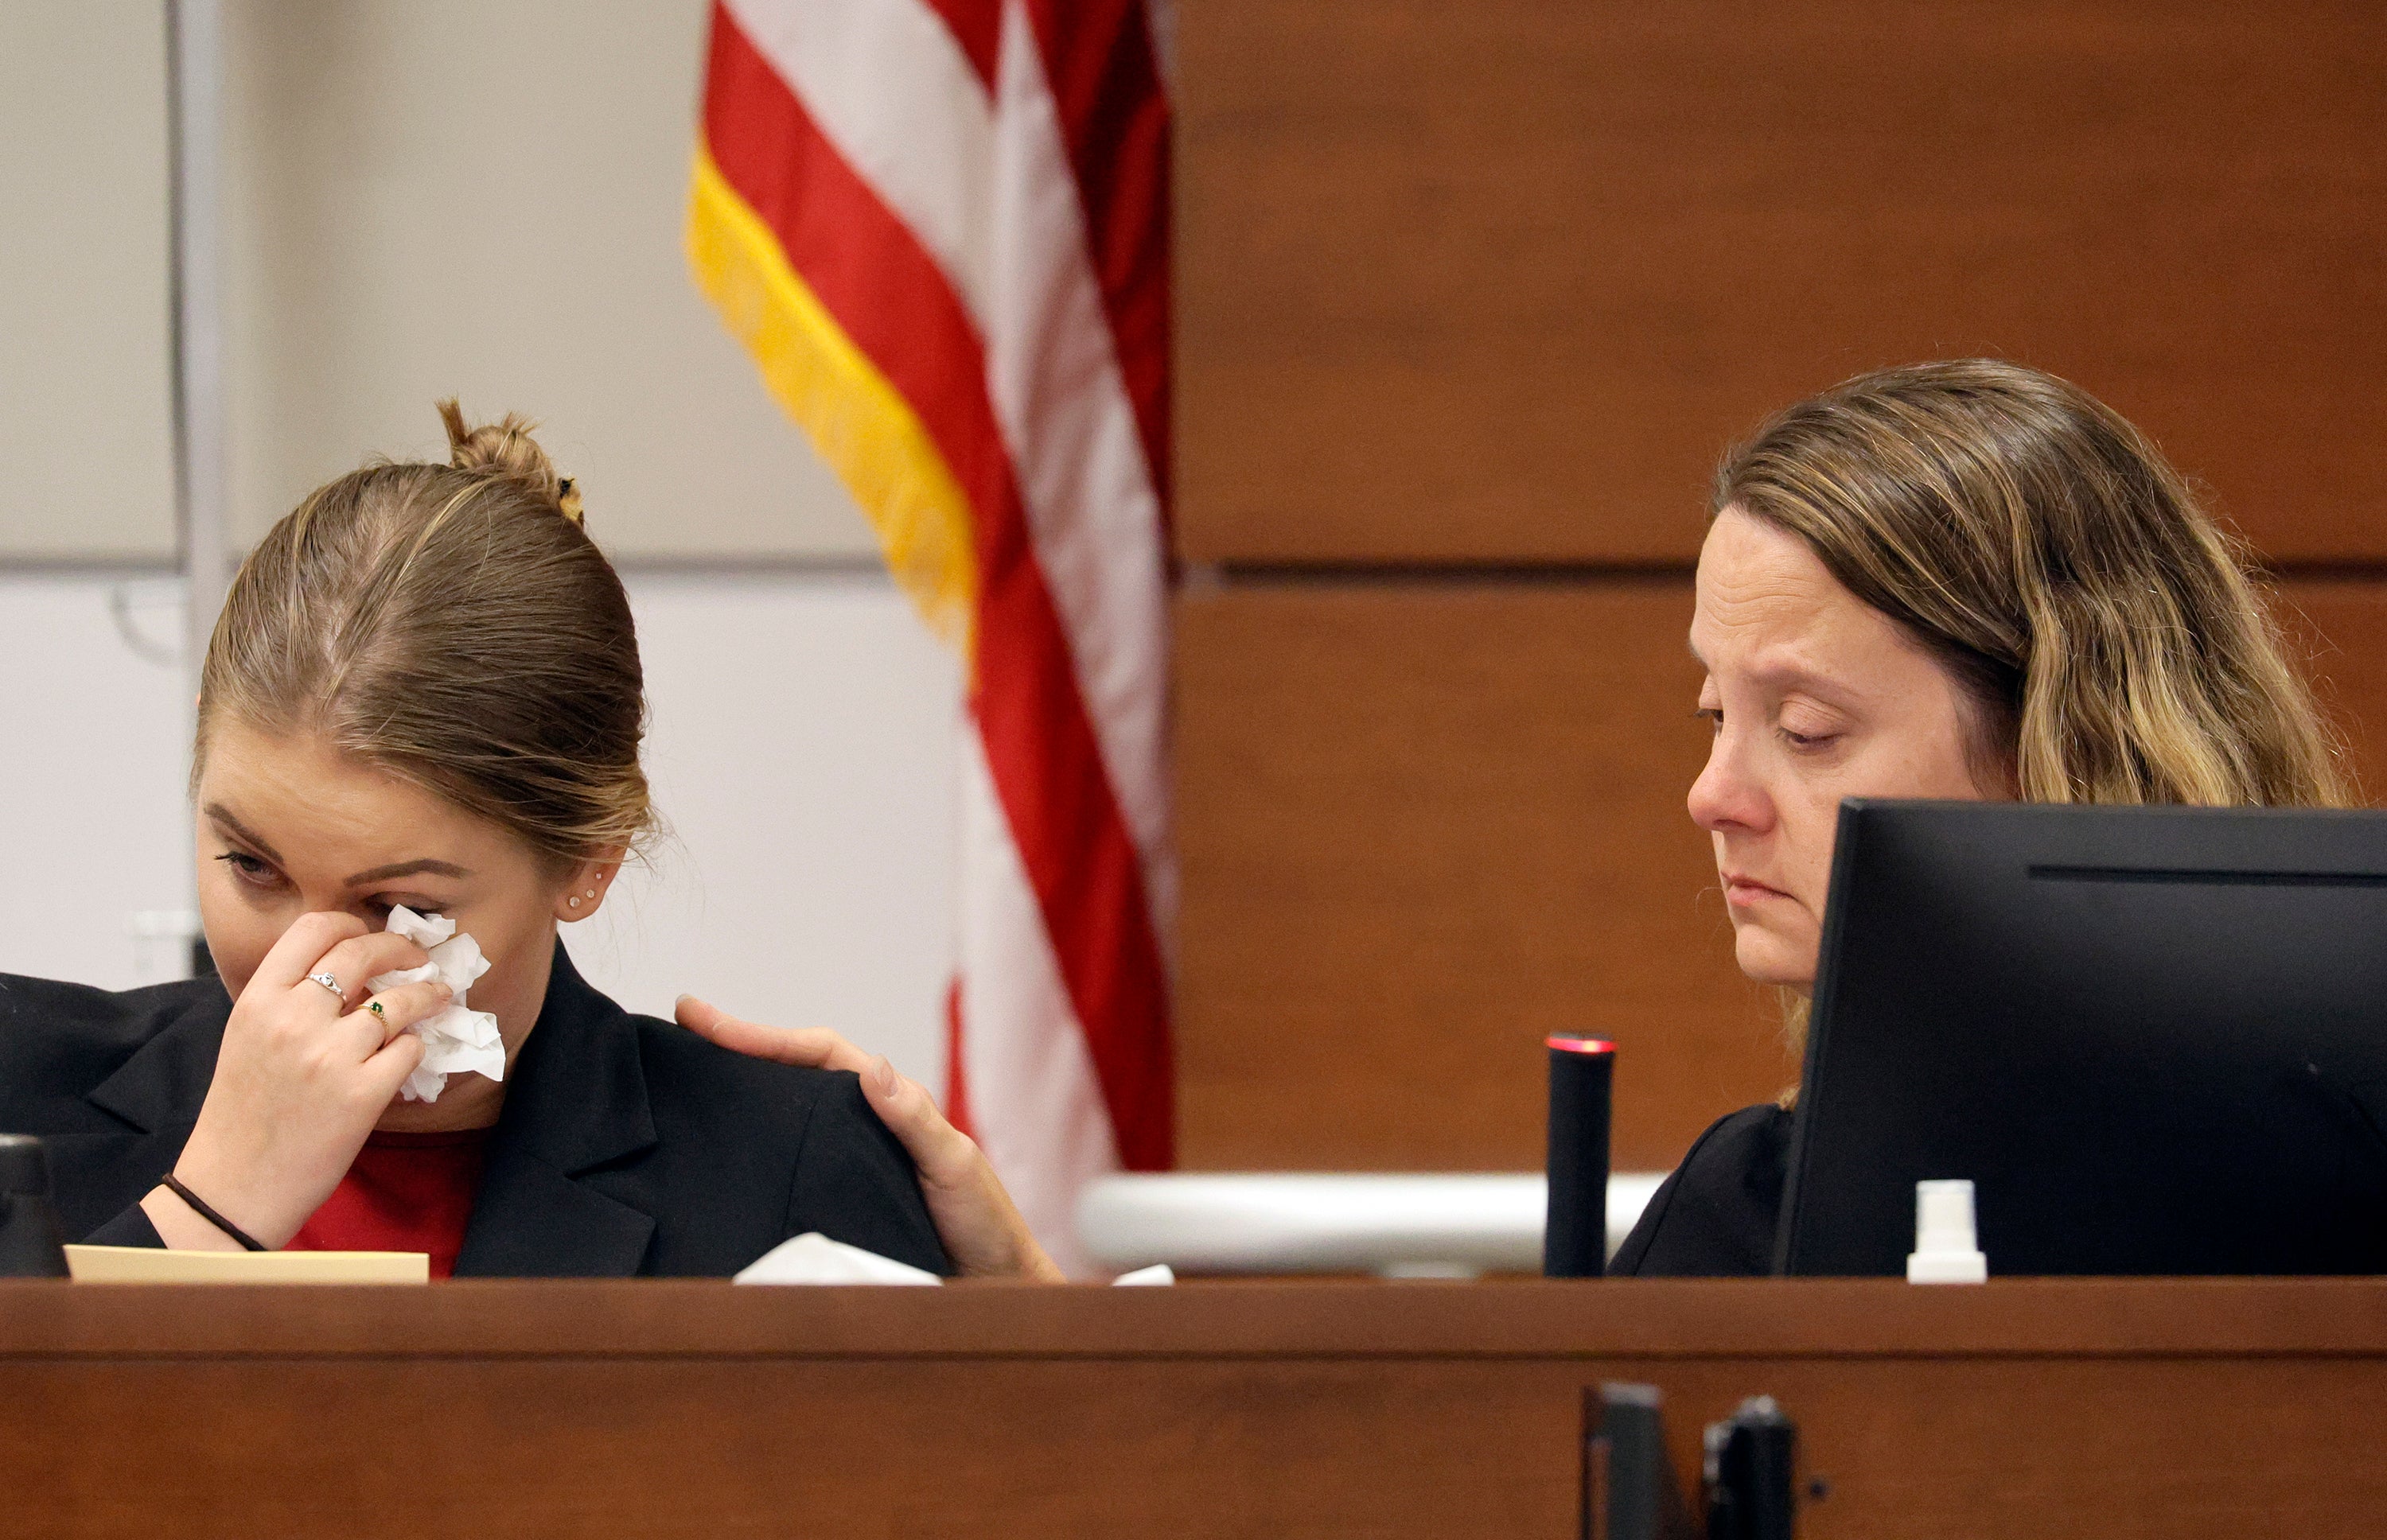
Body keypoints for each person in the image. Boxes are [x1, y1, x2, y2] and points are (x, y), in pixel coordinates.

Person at [689, 359, 2356, 1281]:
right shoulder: (1746, 1222)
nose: (1715, 793)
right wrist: (1025, 1309)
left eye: (1810, 727)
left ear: (2064, 735)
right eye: (1717, 714)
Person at [0, 405, 946, 1279]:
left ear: (588, 860)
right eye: (253, 867)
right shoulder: (21, 1084)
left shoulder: (785, 1171)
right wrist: (204, 1213)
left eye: (400, 906)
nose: (312, 962)